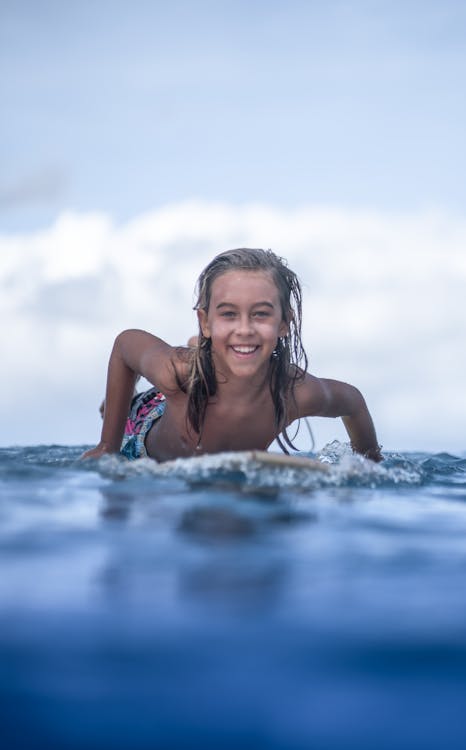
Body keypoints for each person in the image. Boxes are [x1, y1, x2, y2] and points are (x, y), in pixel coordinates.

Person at [82, 248, 382, 463]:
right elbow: (125, 345)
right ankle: (122, 398)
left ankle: (207, 345)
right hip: (151, 424)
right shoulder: (176, 371)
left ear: (284, 324)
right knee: (127, 405)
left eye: (261, 315)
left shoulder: (294, 391)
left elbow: (352, 401)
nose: (245, 328)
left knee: (231, 349)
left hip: (214, 373)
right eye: (228, 314)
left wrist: (370, 461)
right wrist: (107, 444)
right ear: (205, 321)